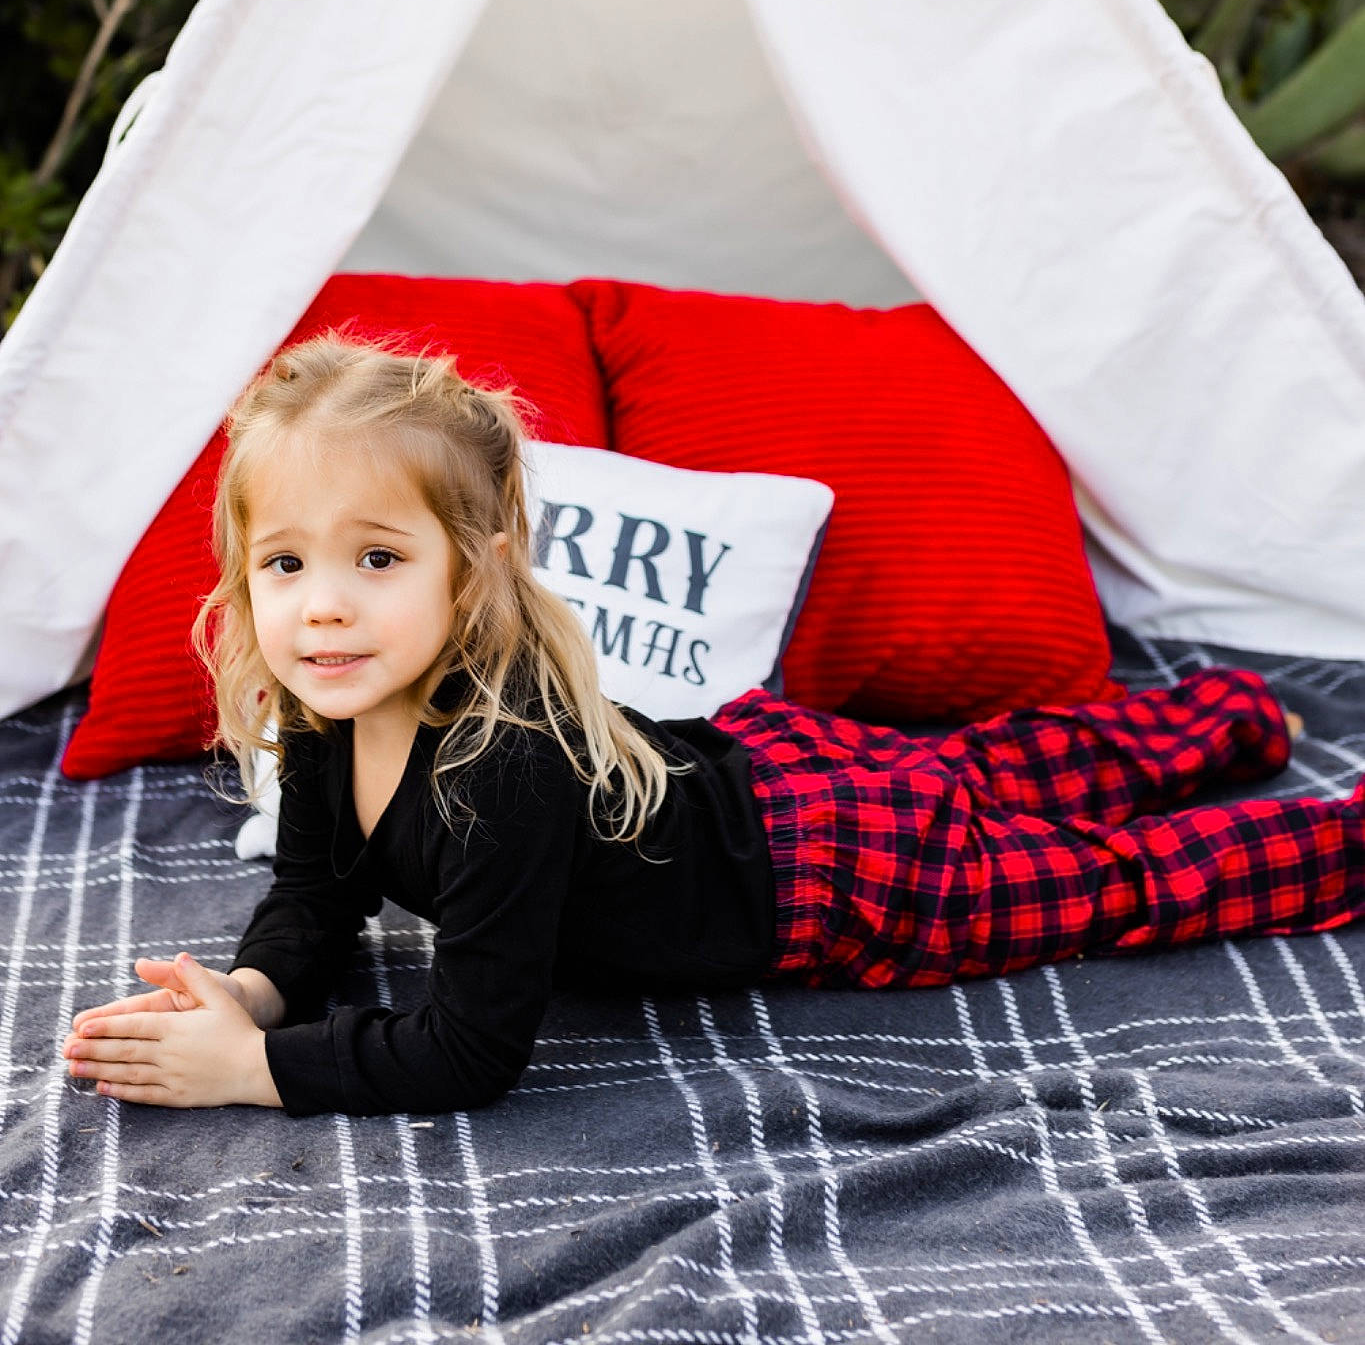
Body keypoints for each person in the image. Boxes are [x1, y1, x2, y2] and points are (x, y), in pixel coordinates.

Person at [65, 338, 1362, 1117]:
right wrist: (251, 991)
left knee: (1112, 877)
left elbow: (469, 1051)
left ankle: (1337, 832)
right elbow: (314, 894)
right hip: (758, 762)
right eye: (285, 563)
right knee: (996, 763)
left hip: (837, 873)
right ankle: (1228, 713)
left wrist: (259, 1068)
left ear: (475, 569)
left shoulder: (497, 767)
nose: (324, 607)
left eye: (378, 558)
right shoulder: (328, 704)